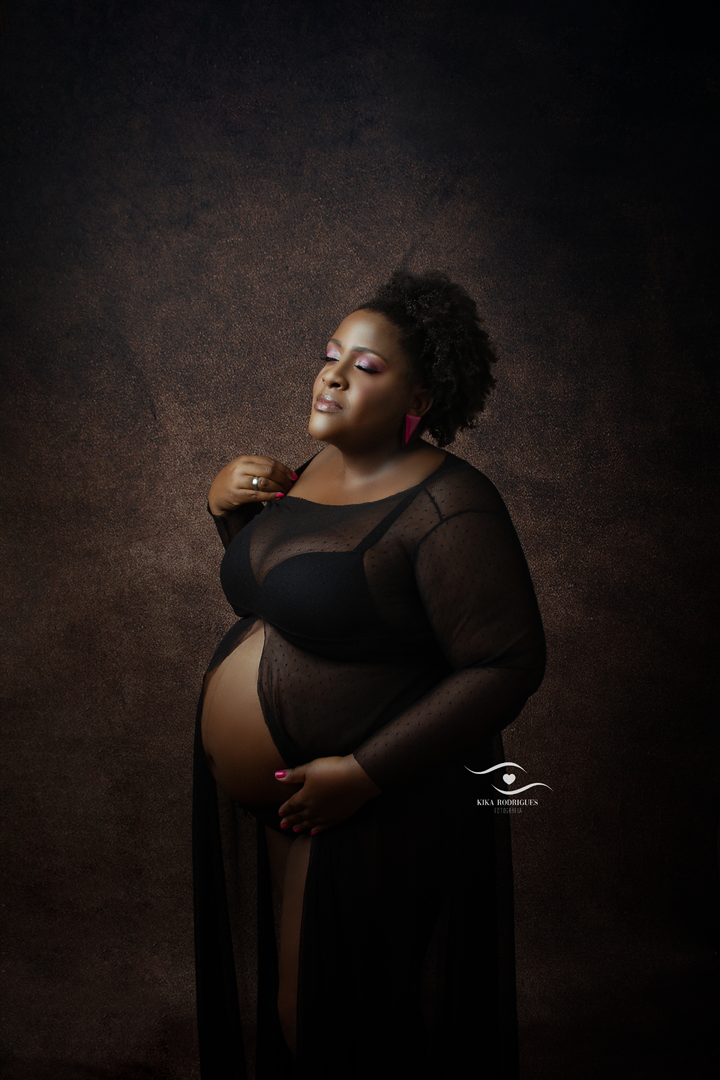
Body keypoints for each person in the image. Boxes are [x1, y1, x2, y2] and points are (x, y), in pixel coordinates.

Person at [193, 270, 546, 1080]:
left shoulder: (450, 503)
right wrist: (229, 514)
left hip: (377, 795)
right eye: (331, 356)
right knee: (302, 1009)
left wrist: (363, 773)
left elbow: (508, 663)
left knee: (340, 1013)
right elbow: (300, 609)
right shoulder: (310, 472)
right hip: (293, 794)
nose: (333, 376)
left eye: (367, 366)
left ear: (420, 397)